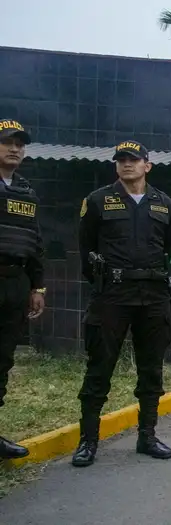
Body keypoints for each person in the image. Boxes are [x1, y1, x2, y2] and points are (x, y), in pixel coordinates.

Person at [71, 140, 171, 467]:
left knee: (151, 368)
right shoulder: (98, 200)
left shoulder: (165, 205)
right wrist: (105, 281)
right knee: (100, 367)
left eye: (134, 159)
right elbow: (86, 247)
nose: (127, 164)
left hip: (153, 294)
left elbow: (167, 247)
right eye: (121, 160)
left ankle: (147, 436)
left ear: (148, 165)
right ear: (116, 166)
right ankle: (88, 440)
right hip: (113, 294)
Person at [0, 119, 45, 460]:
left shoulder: (26, 191)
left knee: (2, 361)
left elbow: (34, 242)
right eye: (7, 142)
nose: (15, 148)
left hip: (15, 283)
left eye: (20, 143)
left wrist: (37, 286)